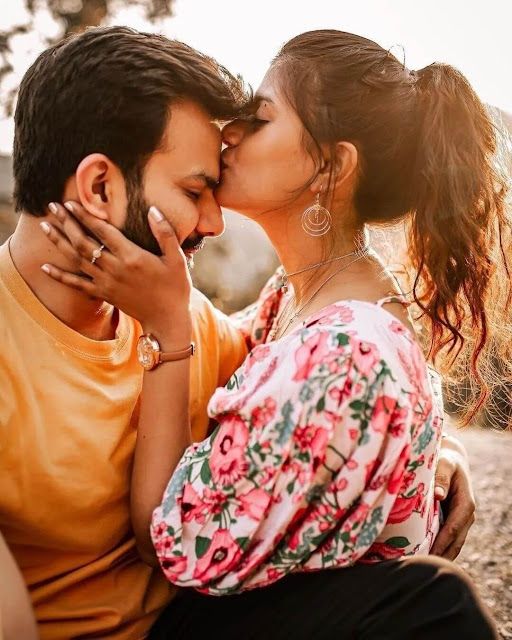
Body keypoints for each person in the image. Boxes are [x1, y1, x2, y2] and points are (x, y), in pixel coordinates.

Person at [42, 30, 508, 638]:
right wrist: (440, 446)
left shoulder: (343, 351)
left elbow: (176, 541)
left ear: (332, 165)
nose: (229, 132)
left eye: (260, 119)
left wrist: (166, 328)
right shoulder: (293, 303)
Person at [0, 26, 248, 639]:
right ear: (101, 187)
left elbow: (315, 386)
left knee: (424, 595)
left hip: (191, 619)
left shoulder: (173, 310)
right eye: (196, 191)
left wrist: (436, 450)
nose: (215, 222)